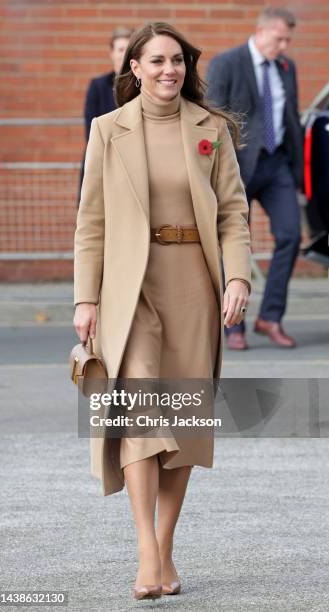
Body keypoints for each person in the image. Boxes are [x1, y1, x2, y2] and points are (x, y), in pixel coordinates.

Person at [73, 21, 251, 601]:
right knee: (142, 411)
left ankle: (166, 546)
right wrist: (85, 298)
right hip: (130, 289)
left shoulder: (212, 129)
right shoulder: (107, 130)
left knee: (185, 427)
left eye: (177, 60)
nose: (169, 70)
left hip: (194, 287)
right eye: (156, 61)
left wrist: (239, 277)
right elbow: (90, 224)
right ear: (135, 69)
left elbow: (232, 215)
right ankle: (146, 553)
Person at [206, 6, 303, 350]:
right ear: (260, 32)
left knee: (291, 235)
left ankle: (270, 317)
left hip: (277, 165)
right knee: (232, 244)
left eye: (288, 39)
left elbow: (291, 117)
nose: (284, 45)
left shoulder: (286, 68)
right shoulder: (227, 63)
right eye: (280, 38)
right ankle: (234, 324)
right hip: (238, 168)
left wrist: (298, 172)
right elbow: (212, 115)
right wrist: (214, 171)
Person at [77, 27, 133, 204]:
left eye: (128, 49)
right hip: (101, 161)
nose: (124, 55)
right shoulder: (98, 86)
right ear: (112, 53)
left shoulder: (142, 86)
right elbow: (91, 131)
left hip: (132, 164)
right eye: (120, 49)